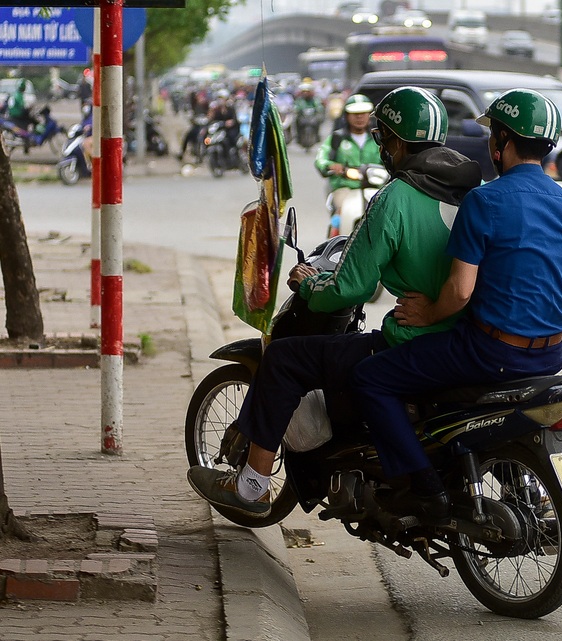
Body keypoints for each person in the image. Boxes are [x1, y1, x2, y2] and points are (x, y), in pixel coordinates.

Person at [186, 87, 483, 517]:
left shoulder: (396, 197)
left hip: (414, 340)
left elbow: (351, 288)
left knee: (286, 359)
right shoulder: (474, 192)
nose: (382, 147)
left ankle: (251, 486)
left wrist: (309, 285)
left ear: (397, 142)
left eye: (385, 139)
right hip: (467, 340)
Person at [351, 89, 562, 520]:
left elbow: (460, 292)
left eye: (492, 136)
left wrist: (426, 313)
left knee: (371, 378)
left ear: (502, 142)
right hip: (552, 355)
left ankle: (425, 490)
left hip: (492, 353)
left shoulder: (485, 200)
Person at [314, 94, 381, 217]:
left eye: (363, 112)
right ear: (346, 115)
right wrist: (330, 166)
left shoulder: (379, 139)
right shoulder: (337, 138)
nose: (359, 117)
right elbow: (321, 158)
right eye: (354, 113)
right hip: (345, 188)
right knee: (341, 214)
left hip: (378, 189)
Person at [6, 80, 36, 151]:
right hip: (17, 115)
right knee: (30, 120)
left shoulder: (15, 94)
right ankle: (27, 140)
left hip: (12, 114)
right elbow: (22, 106)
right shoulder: (19, 95)